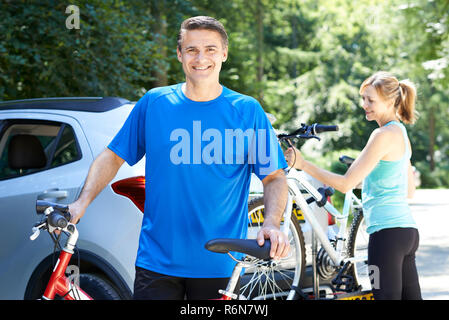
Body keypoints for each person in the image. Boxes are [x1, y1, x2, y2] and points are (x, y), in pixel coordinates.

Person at [67, 16, 290, 300]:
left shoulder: (247, 110)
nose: (201, 58)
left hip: (220, 260)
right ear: (179, 54)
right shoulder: (155, 103)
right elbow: (112, 156)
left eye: (210, 49)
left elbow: (273, 176)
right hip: (157, 261)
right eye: (191, 49)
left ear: (224, 53)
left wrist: (271, 223)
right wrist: (81, 203)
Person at [285, 71, 422, 300]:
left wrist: (303, 164)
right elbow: (409, 190)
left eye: (371, 100)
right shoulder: (400, 132)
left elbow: (345, 184)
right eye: (363, 98)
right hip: (407, 233)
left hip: (386, 236)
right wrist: (371, 183)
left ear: (390, 101)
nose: (364, 105)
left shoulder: (382, 134)